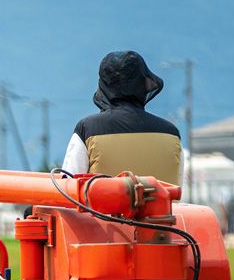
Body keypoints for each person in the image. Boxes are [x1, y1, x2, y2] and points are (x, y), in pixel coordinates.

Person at [61, 51, 182, 184]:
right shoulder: (172, 134)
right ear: (143, 84)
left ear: (104, 85)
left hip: (101, 205)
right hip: (162, 205)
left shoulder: (87, 129)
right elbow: (178, 188)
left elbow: (67, 190)